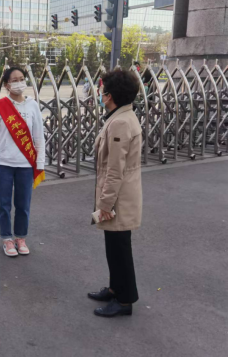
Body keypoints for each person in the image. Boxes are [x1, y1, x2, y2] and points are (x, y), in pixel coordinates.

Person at [89, 69, 143, 318]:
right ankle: (114, 288)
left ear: (109, 95)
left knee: (120, 249)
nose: (100, 94)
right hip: (120, 194)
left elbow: (115, 170)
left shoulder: (120, 122)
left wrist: (105, 204)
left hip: (119, 198)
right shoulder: (122, 115)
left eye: (102, 90)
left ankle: (124, 300)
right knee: (114, 246)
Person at [0, 67, 46, 257]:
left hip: (25, 164)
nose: (19, 83)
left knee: (23, 204)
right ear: (7, 85)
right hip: (3, 164)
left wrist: (39, 163)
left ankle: (20, 237)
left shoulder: (33, 106)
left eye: (22, 79)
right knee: (3, 204)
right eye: (15, 80)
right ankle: (7, 238)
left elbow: (39, 137)